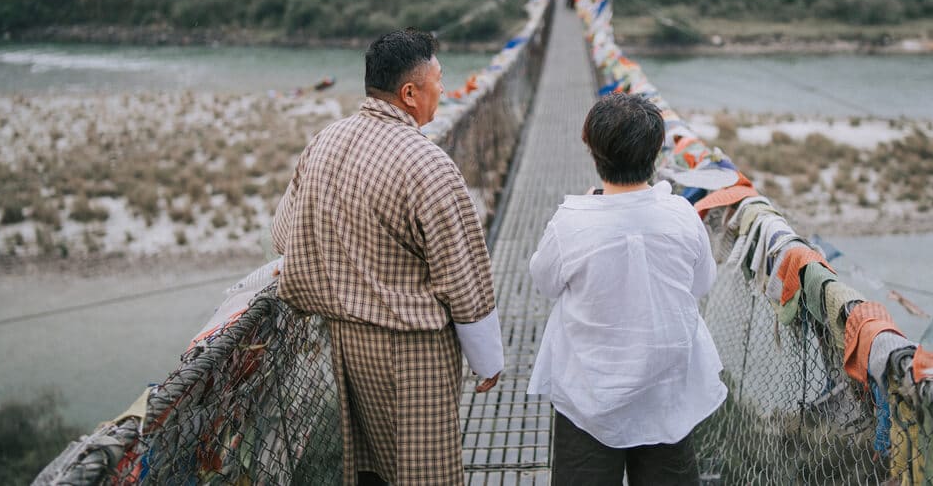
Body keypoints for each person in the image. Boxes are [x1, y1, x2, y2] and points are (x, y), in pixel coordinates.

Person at [272, 28, 503, 486]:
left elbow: (284, 236)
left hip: (342, 344)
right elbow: (465, 278)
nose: (443, 87)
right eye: (438, 78)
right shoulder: (427, 163)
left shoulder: (324, 140)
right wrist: (488, 360)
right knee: (425, 472)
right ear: (410, 92)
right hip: (411, 352)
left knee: (368, 470)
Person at [527, 94, 727, 486]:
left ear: (591, 146)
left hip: (589, 395)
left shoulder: (570, 223)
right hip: (667, 392)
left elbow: (544, 283)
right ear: (656, 151)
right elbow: (702, 283)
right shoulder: (683, 216)